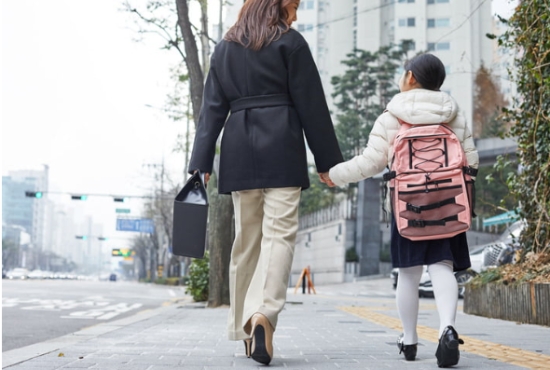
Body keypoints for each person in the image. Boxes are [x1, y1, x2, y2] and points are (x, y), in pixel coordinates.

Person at [187, 0, 343, 365]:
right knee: (279, 235)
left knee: (247, 242)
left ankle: (243, 328)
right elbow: (312, 105)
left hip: (239, 148)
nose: (296, 14)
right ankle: (264, 314)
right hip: (282, 146)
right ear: (276, 5)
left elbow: (211, 109)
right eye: (294, 6)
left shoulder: (225, 48)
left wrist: (201, 163)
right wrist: (328, 161)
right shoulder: (291, 44)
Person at [327, 53, 478, 367]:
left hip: (407, 206)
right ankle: (447, 329)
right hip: (449, 204)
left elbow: (370, 163)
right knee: (442, 267)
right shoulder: (453, 113)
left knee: (408, 274)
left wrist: (335, 175)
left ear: (410, 77)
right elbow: (471, 164)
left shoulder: (392, 116)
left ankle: (409, 341)